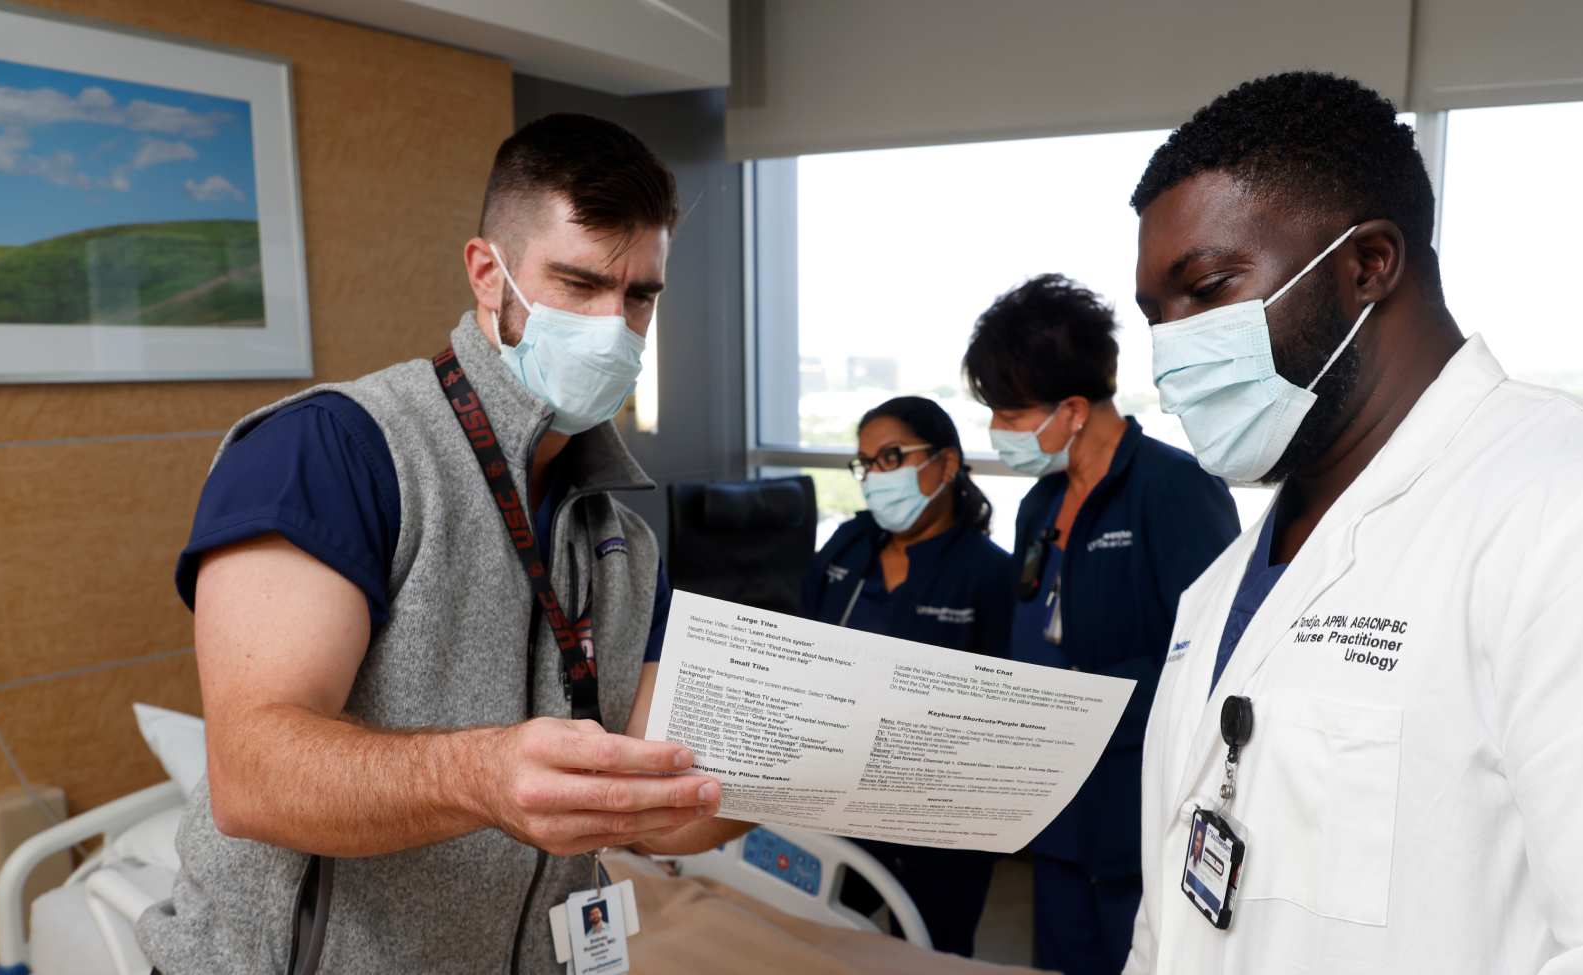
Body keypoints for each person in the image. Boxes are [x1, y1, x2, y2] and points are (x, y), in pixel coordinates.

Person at [1123, 72, 1583, 973]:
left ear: (1367, 265)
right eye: (1155, 317)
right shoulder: (1225, 585)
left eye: (1206, 288)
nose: (1170, 351)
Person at [139, 114, 746, 975]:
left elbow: (662, 806)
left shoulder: (621, 536)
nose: (615, 327)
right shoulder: (332, 450)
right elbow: (253, 774)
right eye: (578, 283)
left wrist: (824, 767)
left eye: (640, 295)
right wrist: (482, 775)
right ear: (486, 272)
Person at [962, 275, 1241, 975]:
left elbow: (1216, 659)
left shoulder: (1174, 490)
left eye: (1011, 411)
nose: (999, 429)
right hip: (1054, 808)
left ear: (1075, 409)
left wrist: (1080, 703)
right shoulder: (1038, 503)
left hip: (1133, 811)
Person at [802, 395, 1016, 956]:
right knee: (815, 940)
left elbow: (1000, 713)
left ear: (945, 465)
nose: (875, 476)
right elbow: (805, 646)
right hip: (836, 795)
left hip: (939, 822)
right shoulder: (848, 547)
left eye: (891, 457)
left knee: (929, 954)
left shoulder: (990, 576)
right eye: (866, 462)